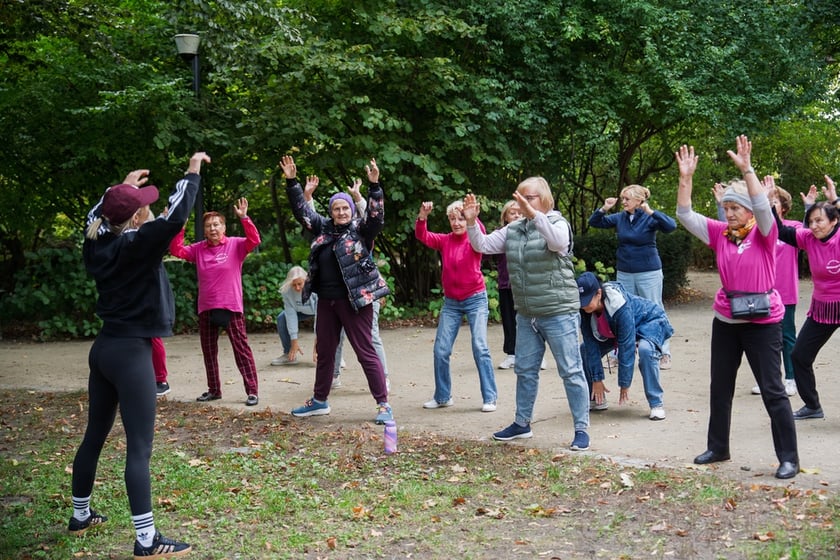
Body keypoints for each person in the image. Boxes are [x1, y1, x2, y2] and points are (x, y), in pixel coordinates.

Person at [70, 151, 208, 557]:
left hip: (105, 349)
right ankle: (146, 539)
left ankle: (81, 515)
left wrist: (122, 188)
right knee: (140, 447)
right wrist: (192, 171)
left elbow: (95, 215)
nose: (150, 211)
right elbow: (178, 215)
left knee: (94, 436)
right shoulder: (139, 244)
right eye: (143, 207)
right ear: (133, 220)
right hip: (131, 354)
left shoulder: (97, 240)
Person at [675, 136, 798, 480]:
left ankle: (788, 457)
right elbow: (684, 214)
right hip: (726, 318)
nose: (728, 214)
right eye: (726, 208)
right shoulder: (718, 233)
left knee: (773, 389)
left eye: (735, 208)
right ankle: (718, 447)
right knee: (721, 386)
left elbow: (762, 208)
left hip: (763, 321)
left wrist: (747, 171)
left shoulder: (765, 233)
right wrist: (686, 178)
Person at [464, 180, 591, 450]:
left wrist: (534, 216)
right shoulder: (514, 229)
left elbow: (557, 243)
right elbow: (483, 246)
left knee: (570, 371)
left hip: (558, 311)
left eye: (529, 197)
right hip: (527, 313)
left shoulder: (558, 223)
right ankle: (522, 424)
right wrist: (472, 222)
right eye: (520, 197)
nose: (522, 202)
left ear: (544, 198)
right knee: (524, 370)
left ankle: (581, 429)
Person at [280, 155, 393, 424]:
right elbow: (302, 213)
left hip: (356, 301)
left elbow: (376, 217)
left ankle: (383, 405)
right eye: (336, 209)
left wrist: (374, 186)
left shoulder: (361, 231)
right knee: (326, 351)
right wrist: (292, 183)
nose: (341, 212)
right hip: (327, 301)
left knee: (365, 350)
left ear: (352, 211)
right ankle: (320, 401)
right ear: (331, 211)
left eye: (345, 208)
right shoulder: (323, 228)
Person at [715, 180, 803, 397]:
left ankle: (790, 378)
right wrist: (722, 206)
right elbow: (726, 235)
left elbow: (810, 235)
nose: (765, 202)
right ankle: (765, 377)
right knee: (758, 342)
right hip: (758, 291)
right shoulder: (748, 230)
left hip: (786, 290)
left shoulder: (792, 228)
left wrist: (809, 207)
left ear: (781, 206)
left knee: (787, 336)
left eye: (772, 201)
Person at [169, 199, 261, 407]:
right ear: (204, 230)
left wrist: (244, 218)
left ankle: (252, 391)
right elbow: (176, 250)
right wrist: (180, 225)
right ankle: (214, 390)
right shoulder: (198, 249)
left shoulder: (235, 245)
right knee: (209, 352)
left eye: (216, 224)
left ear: (224, 227)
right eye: (209, 226)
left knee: (241, 350)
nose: (212, 228)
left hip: (231, 307)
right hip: (206, 308)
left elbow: (254, 240)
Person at [416, 199, 498, 412]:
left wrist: (472, 216)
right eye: (452, 219)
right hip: (452, 302)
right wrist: (423, 217)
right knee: (441, 350)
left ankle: (490, 397)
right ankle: (443, 396)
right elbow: (422, 236)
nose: (457, 222)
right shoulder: (445, 241)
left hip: (475, 299)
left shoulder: (474, 238)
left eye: (461, 218)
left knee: (480, 347)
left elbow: (478, 229)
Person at [588, 184, 677, 369]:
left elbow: (671, 226)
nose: (624, 202)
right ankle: (620, 353)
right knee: (620, 310)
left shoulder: (649, 218)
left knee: (655, 310)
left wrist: (651, 212)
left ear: (639, 200)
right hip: (625, 272)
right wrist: (604, 208)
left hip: (649, 272)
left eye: (627, 199)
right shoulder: (620, 218)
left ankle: (663, 353)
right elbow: (595, 222)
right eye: (623, 199)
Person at [773, 175, 840, 421]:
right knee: (799, 355)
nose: (814, 225)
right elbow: (779, 231)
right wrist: (769, 202)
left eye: (819, 220)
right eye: (810, 221)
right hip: (823, 309)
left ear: (834, 221)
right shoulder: (807, 238)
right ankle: (812, 406)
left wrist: (835, 199)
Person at [576, 272, 673, 420]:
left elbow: (626, 345)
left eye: (587, 300)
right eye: (581, 301)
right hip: (613, 331)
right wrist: (597, 379)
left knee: (646, 350)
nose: (583, 305)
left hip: (649, 321)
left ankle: (656, 403)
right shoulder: (584, 310)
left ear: (599, 293)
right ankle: (597, 399)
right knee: (584, 350)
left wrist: (624, 383)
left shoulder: (619, 304)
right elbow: (590, 344)